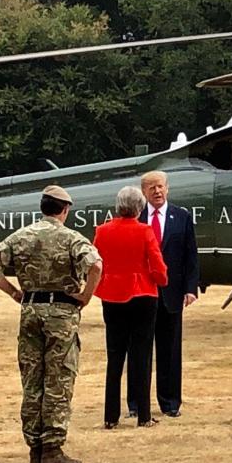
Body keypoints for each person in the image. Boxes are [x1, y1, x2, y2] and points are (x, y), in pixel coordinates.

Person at [0, 185, 102, 463]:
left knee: (32, 378)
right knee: (58, 378)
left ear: (42, 207)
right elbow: (96, 266)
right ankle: (52, 445)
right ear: (65, 209)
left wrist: (14, 292)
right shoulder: (71, 238)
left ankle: (34, 445)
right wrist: (85, 296)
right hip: (61, 313)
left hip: (31, 310)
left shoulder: (21, 236)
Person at [94, 186, 168, 429]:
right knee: (142, 355)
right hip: (143, 295)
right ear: (139, 207)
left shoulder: (102, 231)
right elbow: (158, 266)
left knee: (115, 356)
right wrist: (161, 279)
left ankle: (110, 416)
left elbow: (96, 263)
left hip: (112, 295)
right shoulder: (145, 231)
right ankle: (144, 415)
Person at [126, 171, 199, 419]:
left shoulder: (182, 217)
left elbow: (191, 255)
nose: (156, 191)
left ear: (167, 189)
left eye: (160, 187)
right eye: (150, 188)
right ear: (143, 192)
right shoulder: (135, 219)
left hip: (172, 293)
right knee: (139, 349)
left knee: (170, 350)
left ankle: (170, 403)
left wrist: (191, 288)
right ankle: (136, 403)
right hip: (141, 293)